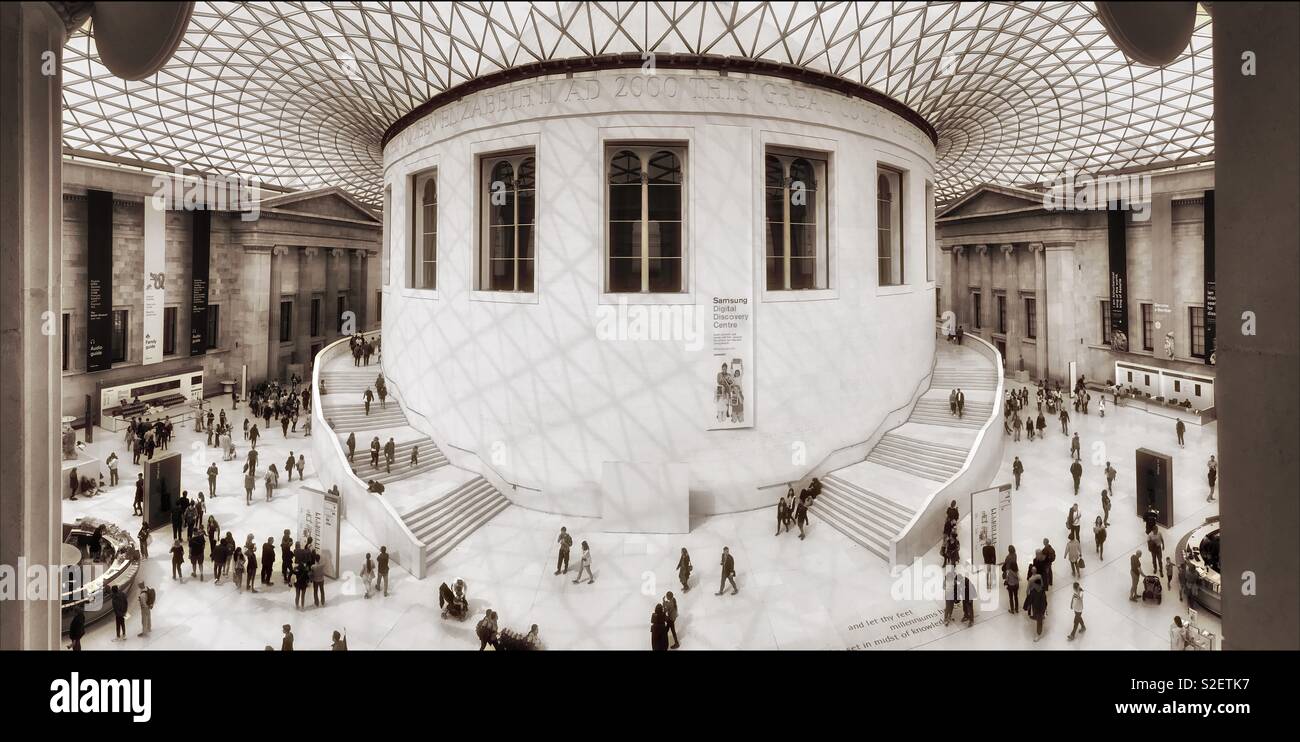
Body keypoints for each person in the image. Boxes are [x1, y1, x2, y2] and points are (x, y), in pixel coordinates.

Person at [1023, 573, 1047, 642]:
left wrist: (1043, 612)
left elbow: (1044, 603)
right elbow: (1030, 598)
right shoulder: (1033, 591)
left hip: (1040, 610)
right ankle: (1038, 618)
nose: (1034, 586)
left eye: (1035, 585)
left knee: (1039, 623)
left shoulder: (1042, 593)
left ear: (1038, 585)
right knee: (1037, 617)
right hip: (1035, 608)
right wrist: (1028, 606)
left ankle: (1038, 635)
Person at [1002, 546, 1020, 614]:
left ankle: (1012, 609)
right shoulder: (1015, 555)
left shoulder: (1008, 557)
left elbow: (1006, 563)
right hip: (1016, 583)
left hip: (1011, 584)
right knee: (1016, 596)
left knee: (1011, 597)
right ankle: (1017, 609)